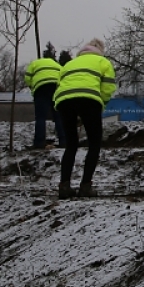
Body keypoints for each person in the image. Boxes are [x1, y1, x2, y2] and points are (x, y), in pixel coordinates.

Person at [53, 38, 116, 199]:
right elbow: (108, 87)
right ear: (101, 51)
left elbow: (61, 84)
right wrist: (99, 104)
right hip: (89, 100)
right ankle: (85, 186)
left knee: (71, 144)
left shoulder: (69, 64)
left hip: (64, 101)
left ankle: (64, 186)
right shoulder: (103, 62)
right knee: (94, 143)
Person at [26, 43, 66, 149]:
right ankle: (64, 141)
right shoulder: (57, 65)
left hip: (41, 88)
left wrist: (32, 88)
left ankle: (39, 142)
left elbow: (27, 78)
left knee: (40, 117)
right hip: (56, 87)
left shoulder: (35, 63)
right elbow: (64, 78)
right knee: (59, 116)